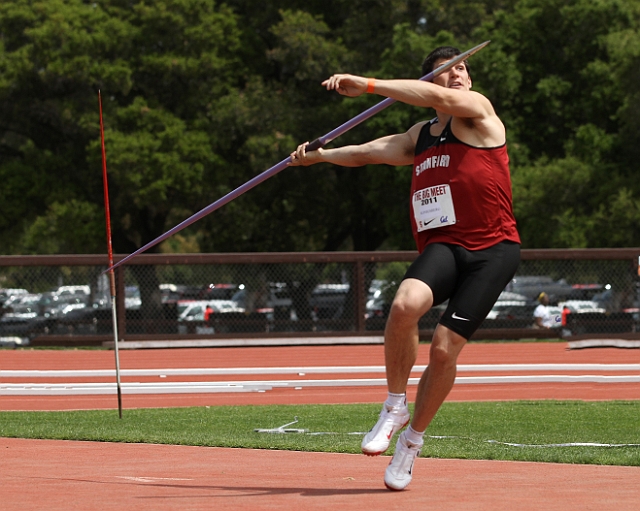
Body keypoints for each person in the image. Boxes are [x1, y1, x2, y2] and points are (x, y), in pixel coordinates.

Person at [289, 46, 521, 491]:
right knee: (403, 304)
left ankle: (411, 443)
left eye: (463, 67)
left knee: (441, 349)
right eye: (447, 71)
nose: (459, 75)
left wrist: (369, 85)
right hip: (446, 245)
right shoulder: (422, 134)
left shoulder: (478, 112)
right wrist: (321, 156)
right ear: (429, 82)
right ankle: (396, 405)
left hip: (493, 249)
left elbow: (444, 101)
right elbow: (369, 152)